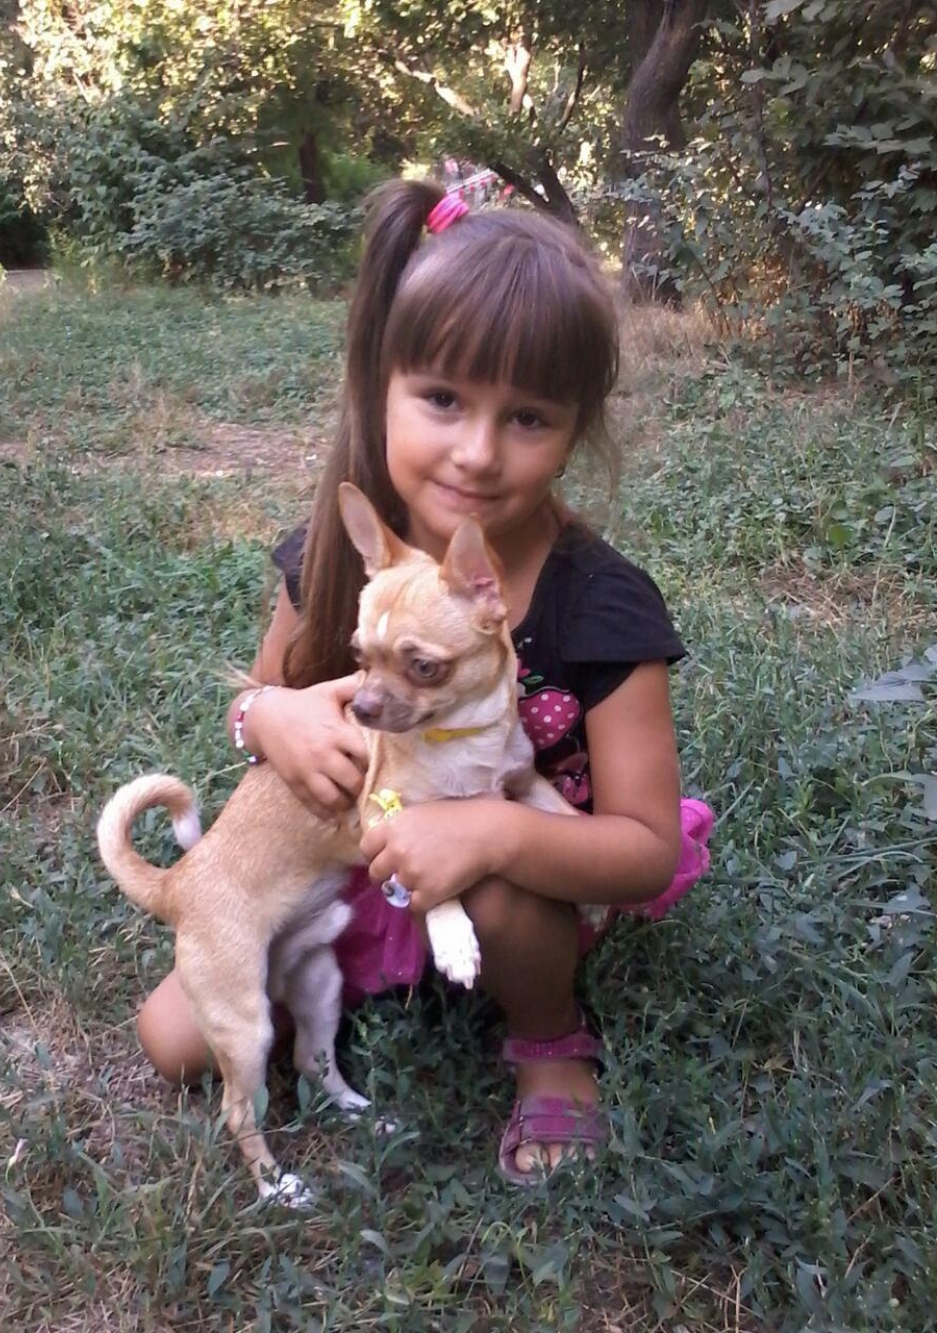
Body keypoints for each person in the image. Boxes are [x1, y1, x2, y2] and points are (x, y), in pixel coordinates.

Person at [136, 178, 713, 1184]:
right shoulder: (337, 558)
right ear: (383, 383)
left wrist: (493, 831)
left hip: (526, 882)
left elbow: (644, 849)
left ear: (577, 427)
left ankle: (549, 1042)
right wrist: (265, 717)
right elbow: (260, 696)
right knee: (172, 1039)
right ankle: (358, 967)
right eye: (442, 399)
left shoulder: (600, 604)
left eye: (526, 416)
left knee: (492, 880)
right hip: (360, 868)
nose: (477, 453)